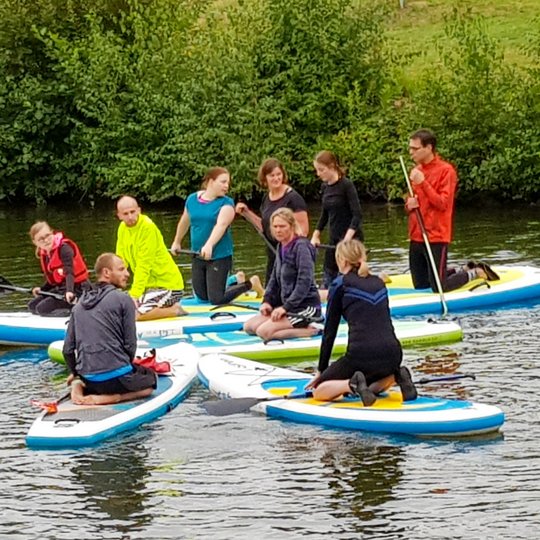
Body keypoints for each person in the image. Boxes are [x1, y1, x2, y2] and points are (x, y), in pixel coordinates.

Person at [307, 239, 417, 406]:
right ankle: (397, 375)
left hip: (361, 356)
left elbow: (330, 332)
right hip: (394, 354)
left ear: (341, 260)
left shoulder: (340, 284)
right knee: (372, 387)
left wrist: (321, 371)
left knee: (319, 392)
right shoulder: (379, 283)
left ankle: (351, 384)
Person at [405, 129, 493, 291]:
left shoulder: (446, 171)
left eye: (415, 149)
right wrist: (409, 204)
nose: (411, 152)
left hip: (436, 235)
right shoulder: (416, 171)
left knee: (439, 287)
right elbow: (414, 201)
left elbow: (443, 204)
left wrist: (423, 183)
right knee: (421, 285)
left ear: (429, 148)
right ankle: (459, 270)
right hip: (417, 234)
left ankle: (474, 272)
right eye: (410, 148)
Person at [63, 253, 157, 405]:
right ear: (106, 273)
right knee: (151, 382)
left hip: (90, 379)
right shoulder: (124, 299)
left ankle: (78, 384)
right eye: (121, 269)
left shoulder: (78, 305)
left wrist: (75, 373)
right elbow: (130, 344)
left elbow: (67, 350)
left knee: (90, 378)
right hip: (116, 379)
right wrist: (126, 365)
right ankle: (110, 398)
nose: (127, 274)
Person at [170, 167, 264, 304]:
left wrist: (209, 245)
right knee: (202, 297)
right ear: (210, 181)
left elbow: (221, 225)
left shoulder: (227, 203)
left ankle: (250, 284)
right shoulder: (192, 200)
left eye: (228, 183)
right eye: (223, 182)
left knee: (216, 299)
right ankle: (235, 280)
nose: (226, 186)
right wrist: (177, 241)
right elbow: (185, 221)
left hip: (219, 255)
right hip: (198, 254)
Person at [244, 208, 322, 341]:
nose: (278, 230)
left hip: (305, 307)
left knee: (264, 332)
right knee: (249, 327)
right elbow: (274, 278)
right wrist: (267, 301)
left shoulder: (302, 247)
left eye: (282, 226)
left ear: (291, 226)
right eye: (275, 227)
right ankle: (284, 323)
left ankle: (311, 331)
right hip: (287, 306)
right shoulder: (281, 246)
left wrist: (286, 308)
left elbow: (304, 281)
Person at [235, 158, 309, 284]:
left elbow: (304, 231)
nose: (276, 178)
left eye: (279, 174)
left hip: (289, 254)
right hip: (272, 253)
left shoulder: (293, 198)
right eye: (272, 175)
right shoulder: (266, 198)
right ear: (265, 178)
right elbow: (265, 227)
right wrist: (247, 213)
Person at [116, 195, 186, 320]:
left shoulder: (147, 228)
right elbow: (120, 261)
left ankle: (174, 310)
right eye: (125, 214)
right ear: (119, 215)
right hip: (148, 288)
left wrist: (135, 294)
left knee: (133, 315)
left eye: (132, 212)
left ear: (139, 210)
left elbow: (144, 265)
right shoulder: (122, 228)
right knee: (121, 309)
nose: (130, 217)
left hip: (168, 285)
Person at [310, 151, 364, 288]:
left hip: (350, 240)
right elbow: (325, 214)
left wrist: (347, 240)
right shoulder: (325, 187)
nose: (318, 174)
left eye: (321, 170)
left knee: (347, 279)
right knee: (328, 276)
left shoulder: (346, 185)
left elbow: (357, 215)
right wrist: (316, 234)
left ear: (332, 166)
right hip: (334, 239)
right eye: (317, 170)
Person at [28, 221, 90, 316]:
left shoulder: (64, 249)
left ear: (52, 233)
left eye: (48, 235)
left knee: (41, 309)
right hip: (61, 288)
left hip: (77, 288)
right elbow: (53, 279)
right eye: (41, 239)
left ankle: (73, 313)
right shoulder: (46, 254)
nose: (46, 240)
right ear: (35, 242)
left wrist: (69, 292)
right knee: (32, 306)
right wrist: (41, 289)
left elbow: (69, 272)